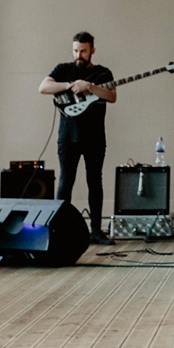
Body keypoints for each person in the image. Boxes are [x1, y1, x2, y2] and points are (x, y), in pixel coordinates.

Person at [39, 31, 117, 246]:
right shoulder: (63, 69)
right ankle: (58, 230)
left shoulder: (103, 73)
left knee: (95, 182)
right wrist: (70, 85)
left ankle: (96, 232)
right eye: (75, 51)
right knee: (66, 182)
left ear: (92, 50)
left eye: (83, 51)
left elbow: (112, 96)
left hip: (95, 138)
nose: (79, 55)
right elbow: (43, 87)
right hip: (67, 138)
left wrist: (89, 86)